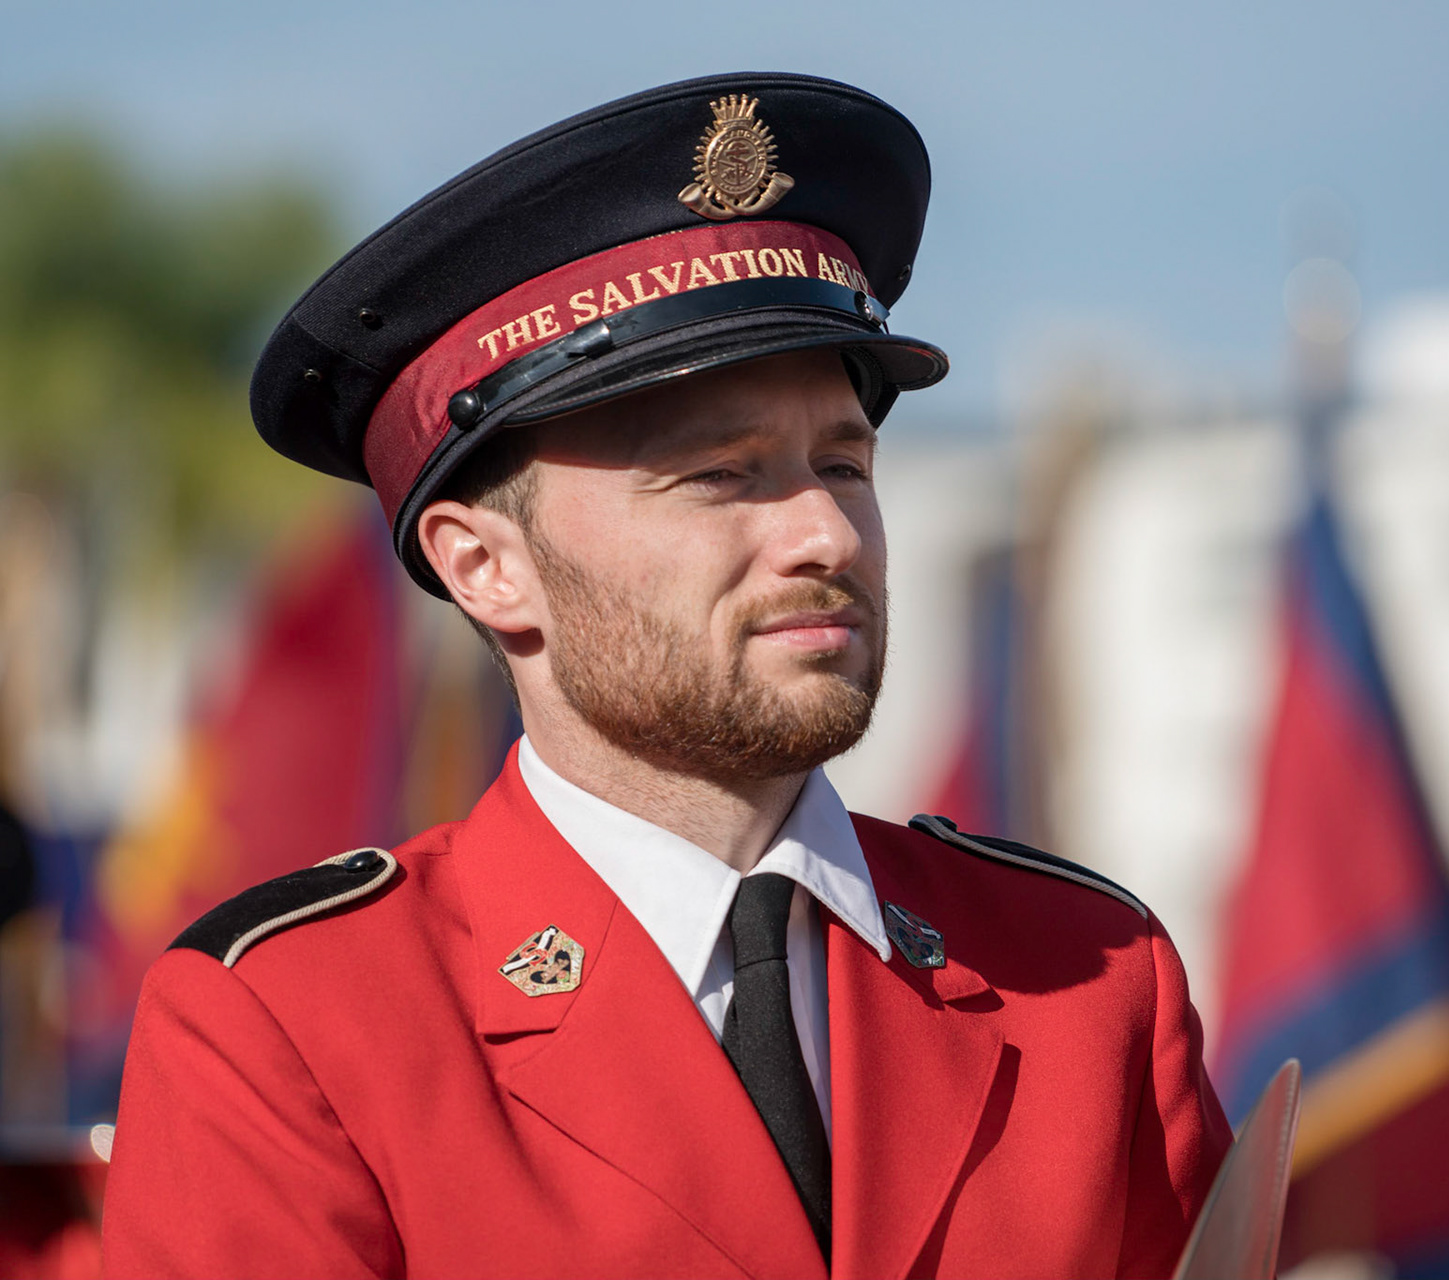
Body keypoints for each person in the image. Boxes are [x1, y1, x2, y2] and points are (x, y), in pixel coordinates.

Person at [99, 73, 1231, 1278]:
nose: (827, 536)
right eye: (722, 476)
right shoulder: (293, 1026)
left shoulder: (1088, 975)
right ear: (485, 566)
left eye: (843, 464)